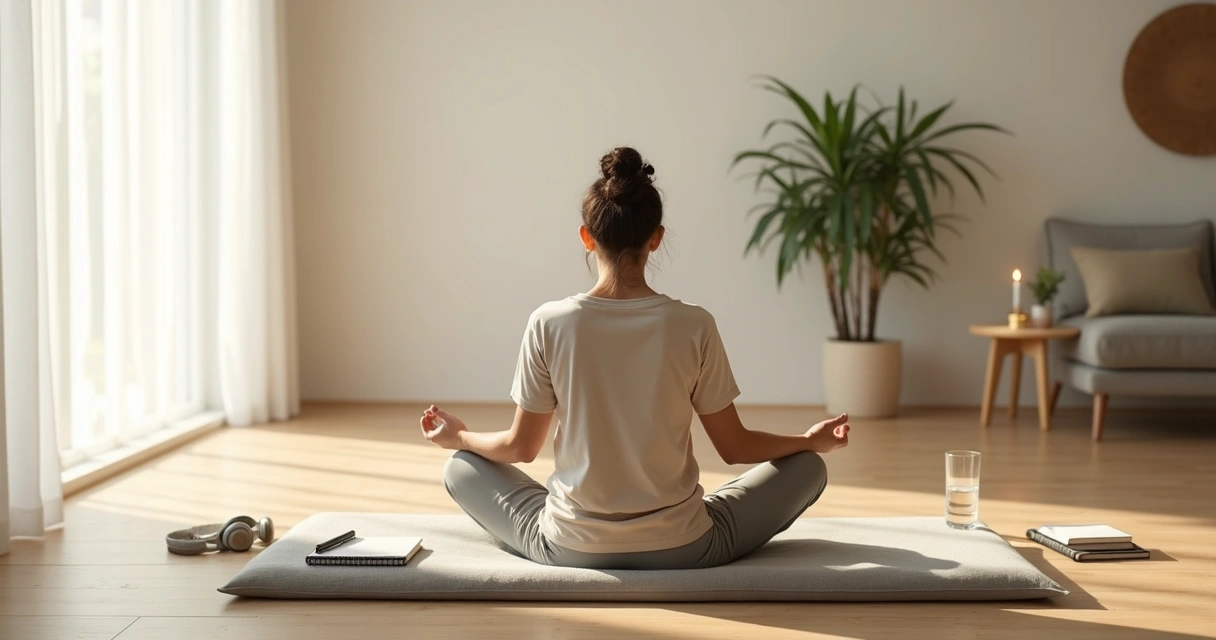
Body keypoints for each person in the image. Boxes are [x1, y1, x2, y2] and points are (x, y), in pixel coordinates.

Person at [419, 147, 850, 570]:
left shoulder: (548, 323)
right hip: (685, 545)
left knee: (461, 467)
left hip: (571, 546)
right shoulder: (694, 324)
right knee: (808, 468)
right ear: (656, 237)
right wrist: (810, 441)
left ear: (586, 237)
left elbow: (520, 447)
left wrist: (459, 436)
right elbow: (734, 447)